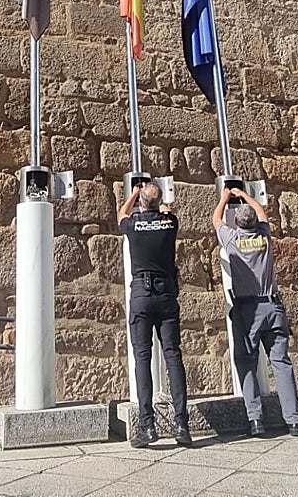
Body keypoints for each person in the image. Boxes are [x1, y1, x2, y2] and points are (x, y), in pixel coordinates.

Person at [212, 185, 298, 437]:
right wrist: (244, 195)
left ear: (237, 223)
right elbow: (262, 211)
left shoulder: (232, 239)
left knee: (247, 362)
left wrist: (224, 198)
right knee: (281, 363)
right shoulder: (264, 235)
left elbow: (216, 219)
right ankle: (294, 420)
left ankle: (255, 420)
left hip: (247, 310)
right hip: (273, 307)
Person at [119, 181, 192, 448]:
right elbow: (166, 211)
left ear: (141, 203)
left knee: (142, 358)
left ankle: (147, 426)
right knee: (173, 356)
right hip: (166, 294)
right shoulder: (170, 223)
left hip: (142, 292)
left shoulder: (133, 224)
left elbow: (121, 215)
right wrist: (157, 202)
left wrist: (133, 194)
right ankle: (182, 426)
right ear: (159, 202)